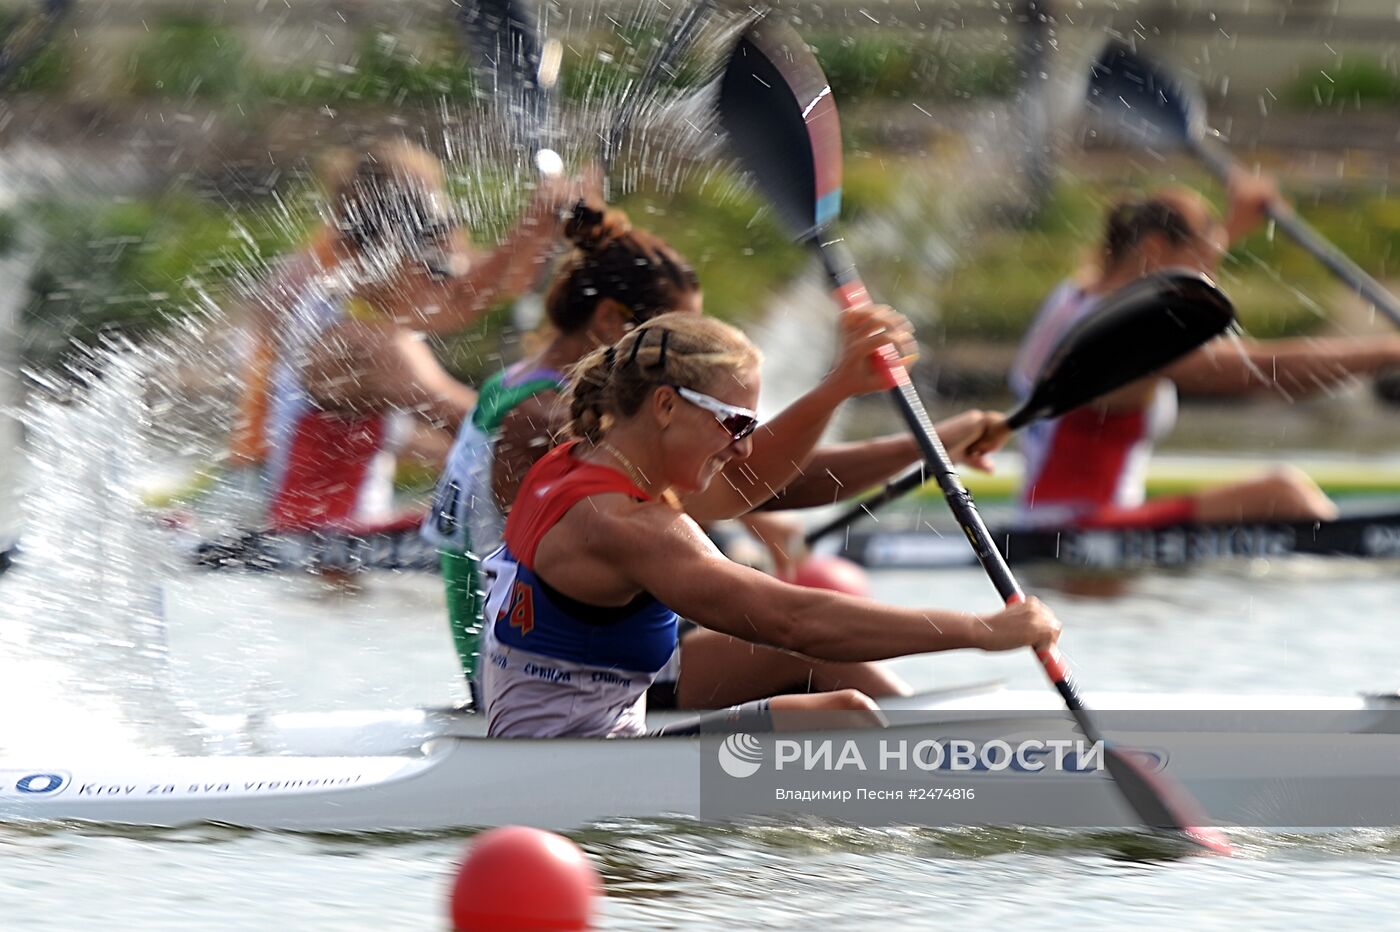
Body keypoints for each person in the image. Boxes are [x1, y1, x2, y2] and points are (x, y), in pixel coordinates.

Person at [424, 202, 1010, 706]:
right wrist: (984, 628)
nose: (683, 351)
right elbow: (754, 495)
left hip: (564, 647)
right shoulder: (546, 425)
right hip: (544, 677)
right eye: (671, 335)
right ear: (611, 322)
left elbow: (748, 479)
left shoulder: (541, 401)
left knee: (818, 675)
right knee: (809, 655)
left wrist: (928, 444)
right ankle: (947, 764)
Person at [478, 313, 1061, 738]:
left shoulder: (586, 461)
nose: (744, 446)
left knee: (841, 711)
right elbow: (794, 621)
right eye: (735, 424)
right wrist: (982, 632)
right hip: (573, 764)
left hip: (569, 737)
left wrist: (850, 392)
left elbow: (762, 482)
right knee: (845, 717)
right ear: (664, 407)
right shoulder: (627, 523)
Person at [1011, 170, 1400, 529]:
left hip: (1046, 515)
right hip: (1078, 529)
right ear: (1153, 248)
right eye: (1207, 260)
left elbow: (1173, 268)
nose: (1210, 279)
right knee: (1285, 492)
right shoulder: (1137, 340)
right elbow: (1267, 371)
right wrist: (1388, 351)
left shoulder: (1076, 296)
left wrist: (1230, 226)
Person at [230, 139, 575, 531]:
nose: (452, 272)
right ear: (394, 251)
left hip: (339, 555)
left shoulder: (358, 298)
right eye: (438, 255)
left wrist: (544, 216)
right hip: (311, 569)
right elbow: (488, 423)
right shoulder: (364, 344)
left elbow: (480, 288)